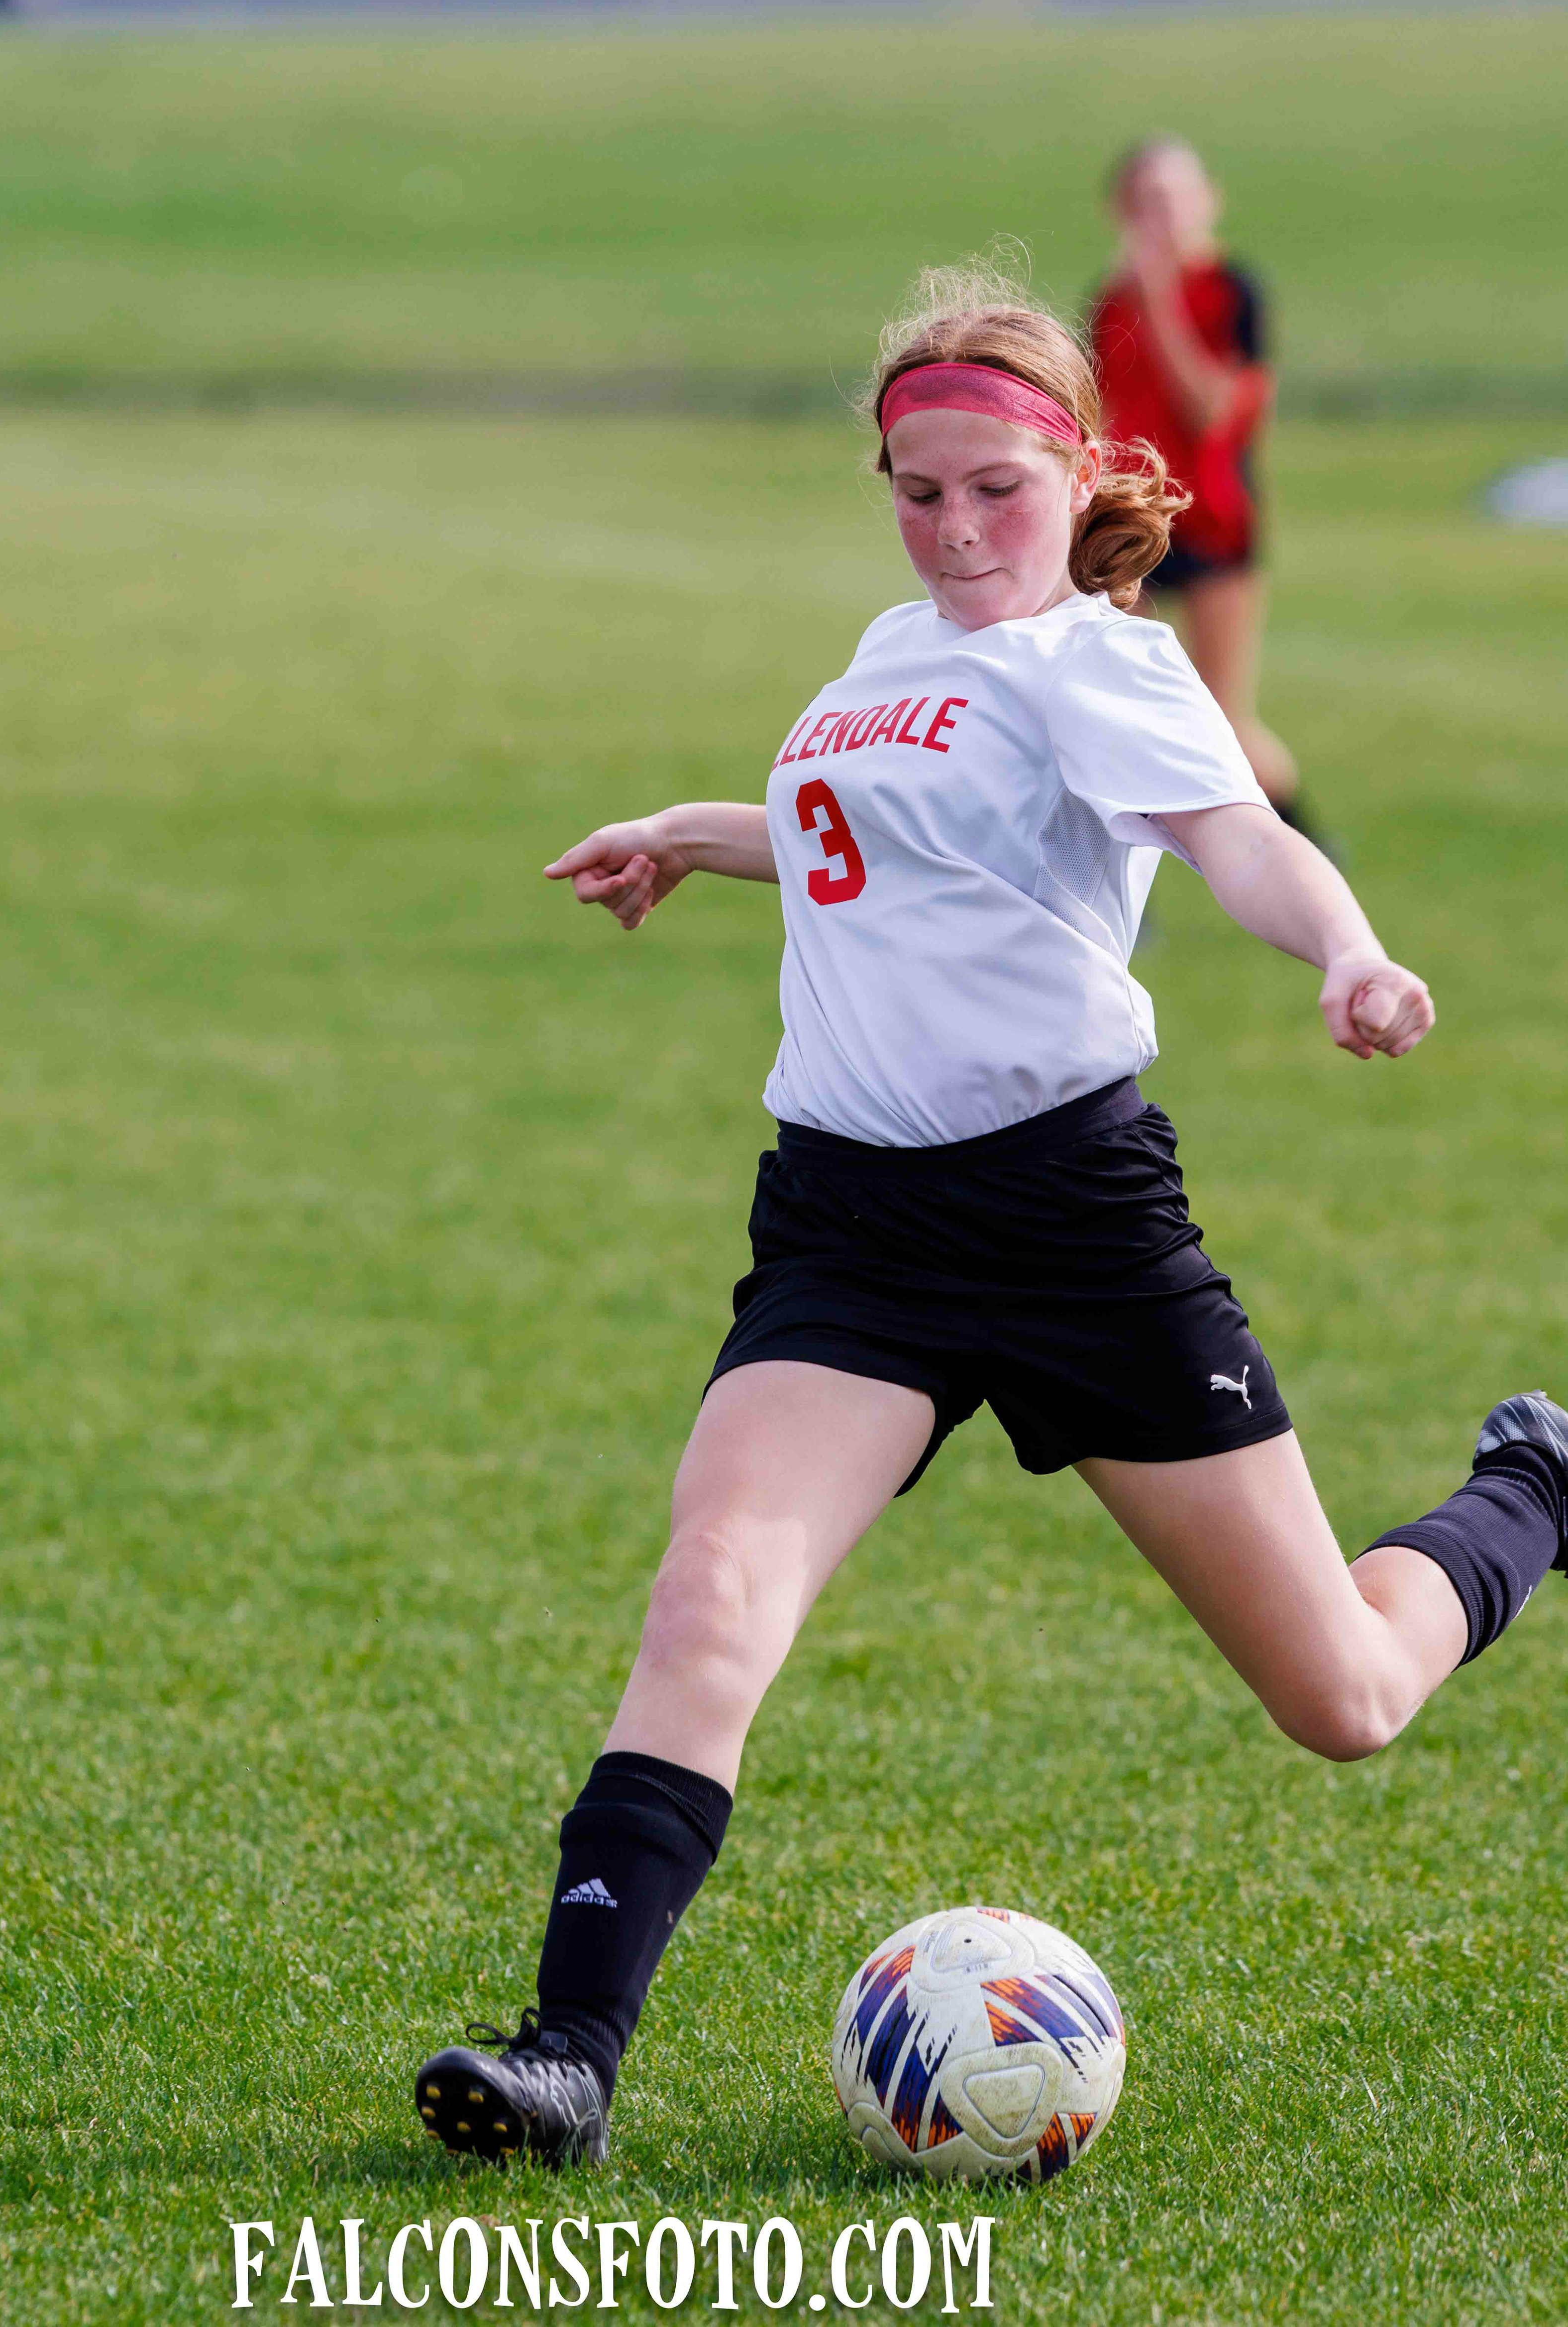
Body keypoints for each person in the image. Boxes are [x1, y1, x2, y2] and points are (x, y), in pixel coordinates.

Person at [409, 261, 1567, 2169]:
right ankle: (567, 2059)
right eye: (918, 491)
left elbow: (1238, 841)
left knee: (1347, 1696)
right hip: (848, 1230)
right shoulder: (887, 651)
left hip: (1067, 1221)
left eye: (995, 492)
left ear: (1078, 471)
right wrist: (698, 835)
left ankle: (1530, 1486)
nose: (955, 530)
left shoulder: (1105, 664)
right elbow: (878, 844)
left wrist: (1349, 949)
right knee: (711, 1592)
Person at [1087, 138, 1316, 839]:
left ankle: (1305, 846)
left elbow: (1212, 409)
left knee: (1223, 721)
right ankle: (1127, 868)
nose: (1162, 218)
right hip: (1134, 521)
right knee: (1122, 709)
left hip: (1214, 518)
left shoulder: (1231, 293)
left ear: (1208, 202)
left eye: (1175, 199)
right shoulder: (1111, 303)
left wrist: (1161, 300)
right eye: (1146, 203)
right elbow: (1102, 414)